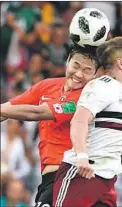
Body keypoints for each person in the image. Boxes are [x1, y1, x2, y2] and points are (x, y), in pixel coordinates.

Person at [1, 44, 99, 207]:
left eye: (87, 70)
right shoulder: (47, 86)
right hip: (49, 178)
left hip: (69, 176)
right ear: (68, 61)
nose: (79, 74)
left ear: (95, 75)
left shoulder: (85, 98)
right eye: (76, 65)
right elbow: (7, 110)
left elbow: (37, 113)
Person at [52, 36, 122, 207]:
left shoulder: (118, 92)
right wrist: (82, 156)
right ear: (120, 63)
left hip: (105, 179)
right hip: (83, 174)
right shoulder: (102, 86)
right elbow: (79, 121)